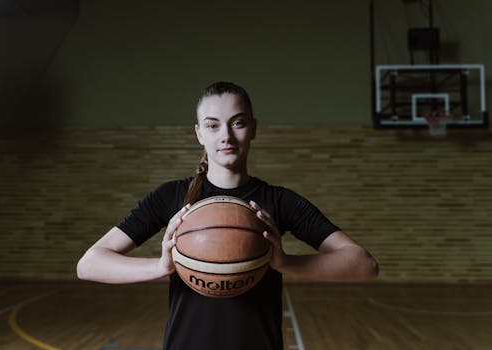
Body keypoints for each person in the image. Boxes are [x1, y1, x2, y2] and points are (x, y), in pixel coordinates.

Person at [76, 81, 379, 350]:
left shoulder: (279, 202)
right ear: (198, 134)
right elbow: (90, 264)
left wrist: (284, 262)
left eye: (237, 123)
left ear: (254, 128)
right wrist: (162, 266)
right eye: (212, 125)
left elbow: (364, 264)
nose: (226, 136)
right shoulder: (171, 197)